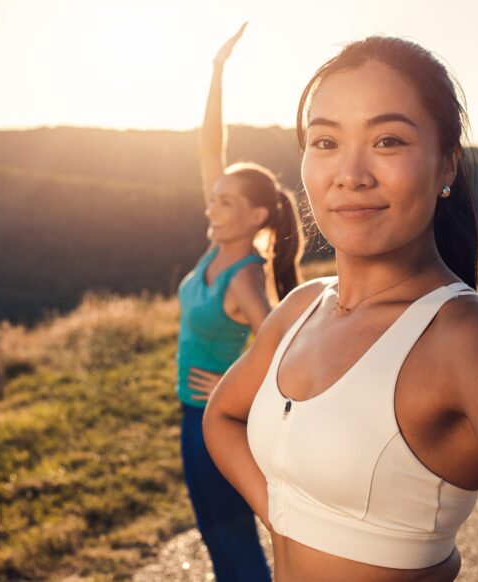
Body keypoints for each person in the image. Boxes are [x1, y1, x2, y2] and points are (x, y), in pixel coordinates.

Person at [203, 37, 478, 581]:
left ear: (447, 167)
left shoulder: (471, 340)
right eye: (324, 141)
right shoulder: (301, 307)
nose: (350, 173)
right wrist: (281, 517)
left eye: (388, 140)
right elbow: (222, 416)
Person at [176, 23, 304, 582]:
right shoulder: (218, 249)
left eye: (226, 202)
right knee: (217, 534)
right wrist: (217, 72)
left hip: (216, 419)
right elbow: (211, 150)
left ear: (256, 217)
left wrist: (241, 394)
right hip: (192, 415)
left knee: (231, 536)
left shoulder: (245, 278)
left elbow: (288, 352)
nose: (213, 206)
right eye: (214, 197)